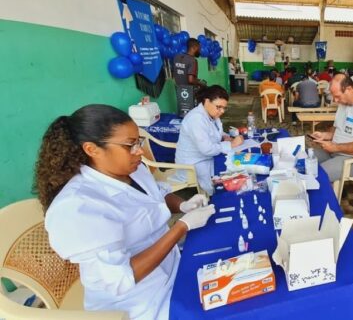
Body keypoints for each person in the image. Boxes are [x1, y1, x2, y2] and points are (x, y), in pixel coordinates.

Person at [35, 104, 216, 320]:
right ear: (92, 149)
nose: (139, 151)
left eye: (137, 141)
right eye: (129, 145)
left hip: (172, 267)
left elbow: (156, 196)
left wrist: (183, 206)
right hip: (139, 302)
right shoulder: (78, 207)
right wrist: (181, 227)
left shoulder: (132, 169)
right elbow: (123, 279)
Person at [175, 85, 244, 195]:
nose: (222, 111)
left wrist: (225, 136)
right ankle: (214, 198)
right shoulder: (196, 119)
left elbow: (215, 131)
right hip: (193, 164)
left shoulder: (211, 114)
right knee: (228, 171)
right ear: (207, 101)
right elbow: (206, 149)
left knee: (235, 164)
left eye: (224, 108)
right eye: (219, 107)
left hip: (206, 157)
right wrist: (231, 145)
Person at [173, 38, 207, 103]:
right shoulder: (192, 60)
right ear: (194, 47)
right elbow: (190, 80)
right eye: (199, 48)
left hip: (179, 90)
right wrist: (201, 84)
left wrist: (197, 80)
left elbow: (178, 73)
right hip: (189, 91)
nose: (200, 51)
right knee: (191, 110)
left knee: (182, 110)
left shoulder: (177, 57)